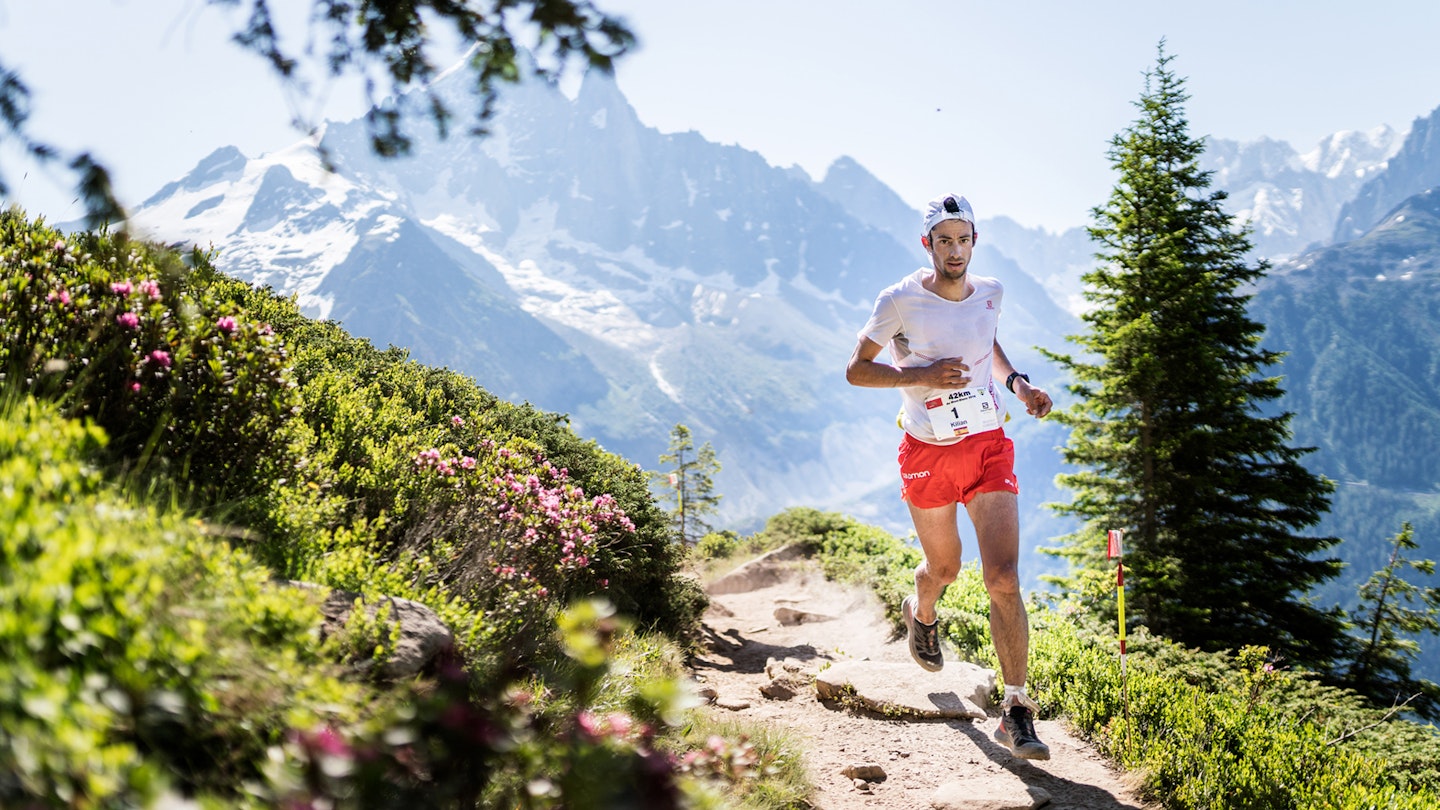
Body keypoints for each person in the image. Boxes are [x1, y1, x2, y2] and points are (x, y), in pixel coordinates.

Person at [845, 192, 1054, 761]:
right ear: (928, 245)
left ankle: (1016, 708)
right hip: (926, 450)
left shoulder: (991, 294)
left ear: (974, 242)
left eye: (963, 239)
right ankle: (924, 611)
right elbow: (856, 370)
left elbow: (988, 348)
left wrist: (1021, 385)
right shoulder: (899, 300)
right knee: (945, 566)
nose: (955, 250)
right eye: (944, 240)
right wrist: (923, 375)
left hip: (987, 444)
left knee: (1003, 577)